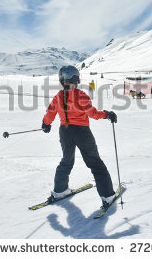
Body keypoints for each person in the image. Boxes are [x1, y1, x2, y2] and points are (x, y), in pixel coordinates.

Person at [42, 65, 118, 208]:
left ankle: (60, 191)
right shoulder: (80, 95)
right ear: (75, 79)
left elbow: (50, 113)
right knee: (95, 163)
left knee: (66, 160)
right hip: (82, 132)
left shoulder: (58, 96)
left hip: (65, 132)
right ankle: (108, 196)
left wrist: (46, 123)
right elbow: (93, 114)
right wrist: (107, 114)